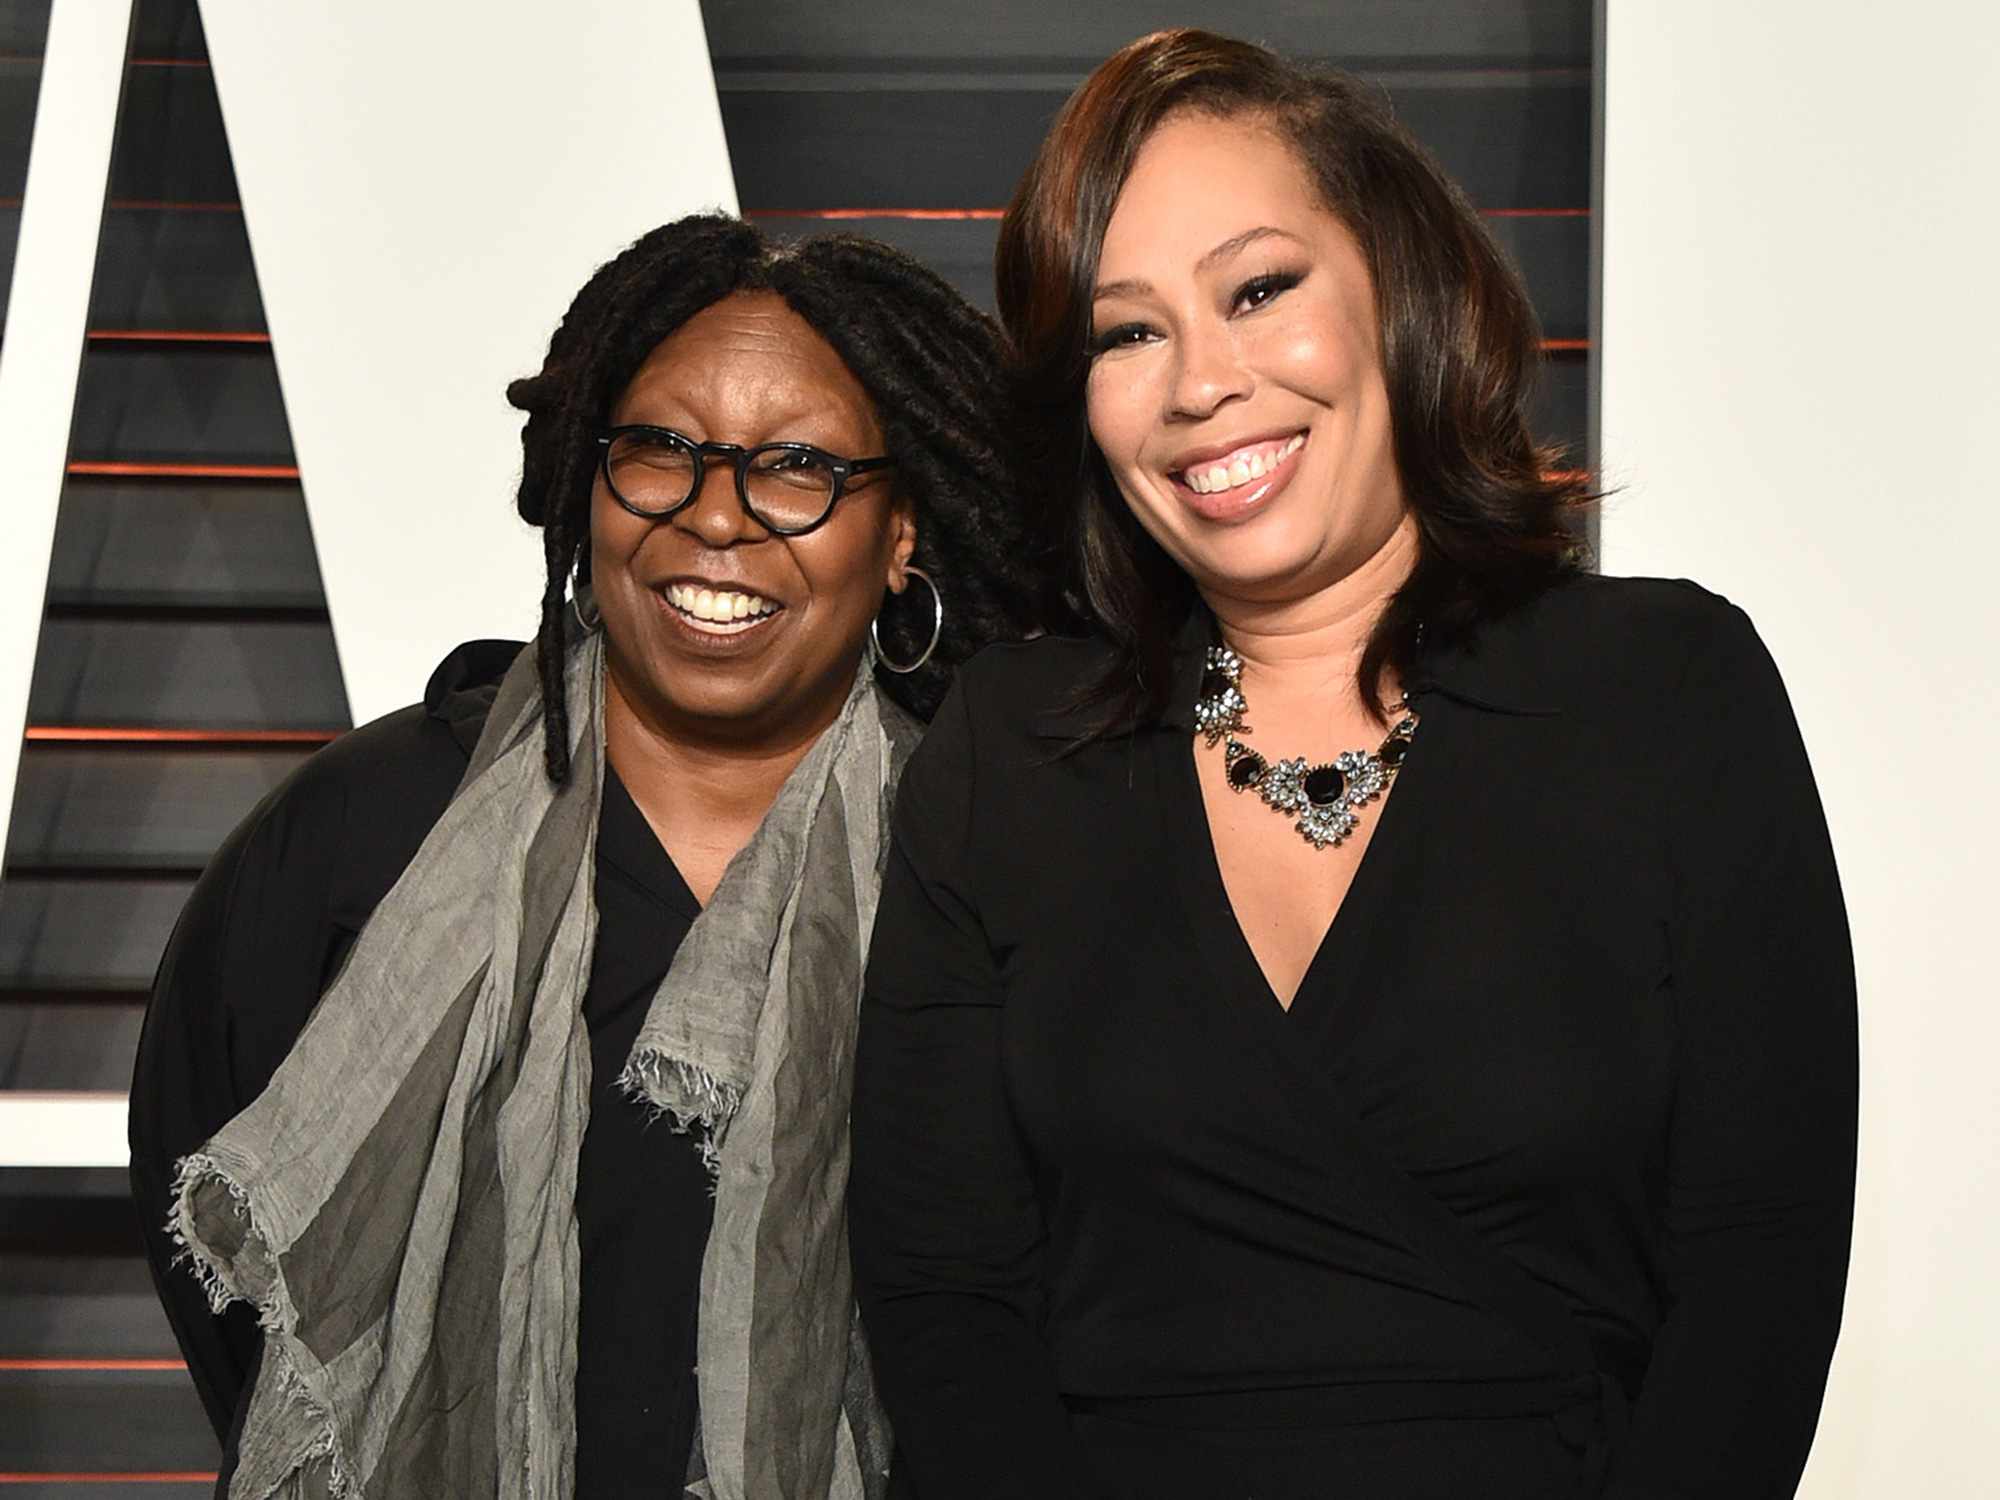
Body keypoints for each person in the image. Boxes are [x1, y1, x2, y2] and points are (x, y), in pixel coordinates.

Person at [850, 30, 1855, 1500]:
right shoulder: (1005, 750)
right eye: (1128, 334)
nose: (1203, 381)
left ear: (1400, 285)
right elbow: (945, 1306)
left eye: (1259, 289)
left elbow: (1759, 1284)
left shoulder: (1670, 694)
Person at [128, 213, 1042, 1499]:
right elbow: (258, 1285)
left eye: (797, 468)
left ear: (901, 534)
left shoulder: (1001, 861)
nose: (716, 517)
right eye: (659, 450)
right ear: (585, 481)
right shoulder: (365, 831)